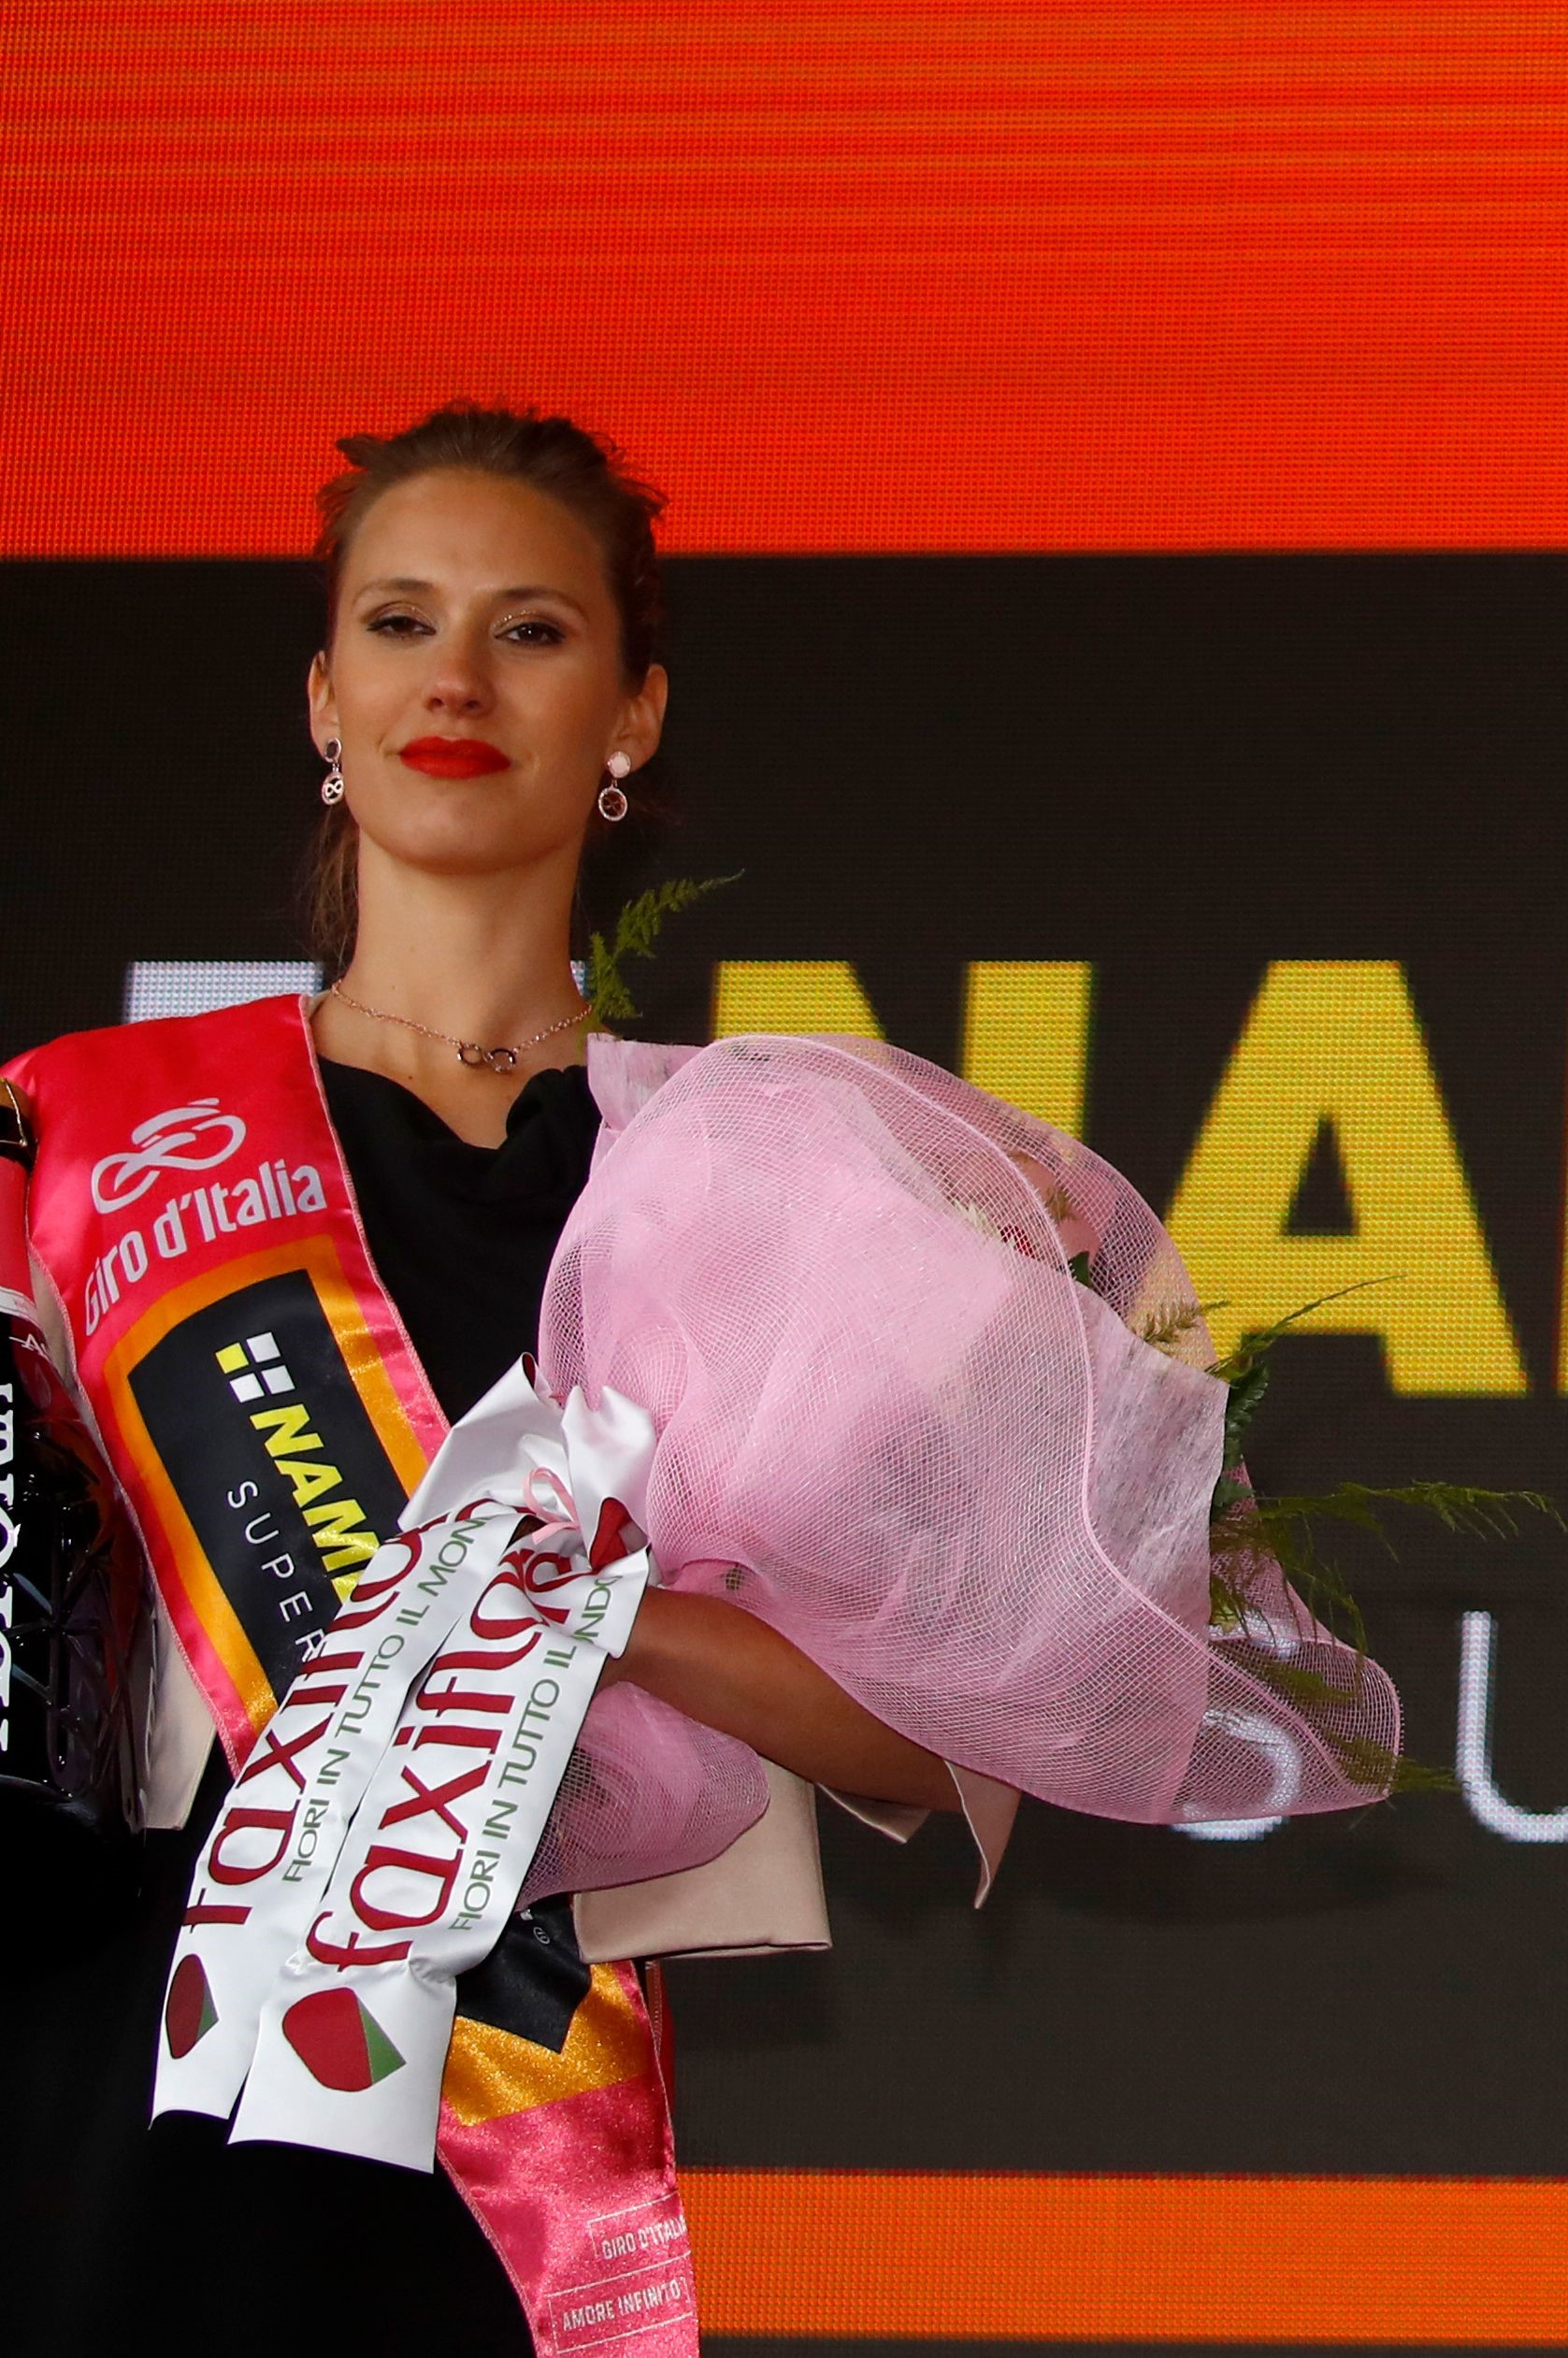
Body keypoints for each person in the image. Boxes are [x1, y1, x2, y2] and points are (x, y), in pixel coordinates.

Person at [2, 407, 961, 2358]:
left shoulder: (745, 1175)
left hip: (511, 2108)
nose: (454, 675)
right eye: (398, 620)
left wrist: (590, 1607)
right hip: (123, 2088)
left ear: (632, 714)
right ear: (322, 695)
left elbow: (919, 1740)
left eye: (529, 630)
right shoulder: (75, 1129)